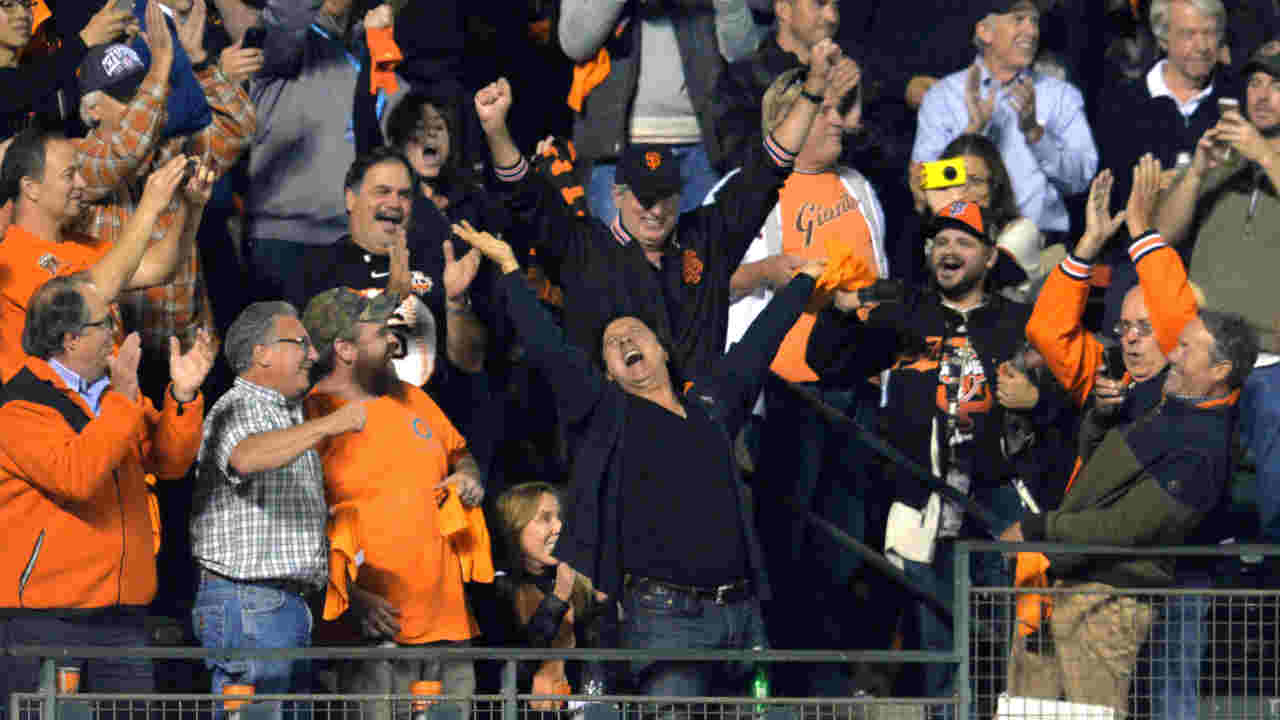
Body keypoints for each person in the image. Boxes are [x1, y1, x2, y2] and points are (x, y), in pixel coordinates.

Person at [452, 219, 823, 704]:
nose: (625, 342)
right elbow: (549, 347)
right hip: (668, 621)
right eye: (612, 343)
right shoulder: (610, 412)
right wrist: (509, 269)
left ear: (663, 351)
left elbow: (757, 347)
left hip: (743, 613)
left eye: (635, 334)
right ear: (606, 371)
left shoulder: (712, 408)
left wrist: (804, 282)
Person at [804, 200, 1050, 705]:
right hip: (923, 504)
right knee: (937, 647)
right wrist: (839, 311)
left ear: (987, 257)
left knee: (999, 643)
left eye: (963, 242)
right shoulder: (903, 312)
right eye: (941, 242)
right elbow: (826, 363)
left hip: (996, 503)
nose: (949, 251)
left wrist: (1038, 401)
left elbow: (1066, 404)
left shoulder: (1021, 322)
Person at [486, 39, 840, 381]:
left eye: (665, 196)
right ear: (617, 194)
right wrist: (496, 128)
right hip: (617, 433)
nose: (655, 210)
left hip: (702, 428)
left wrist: (813, 90)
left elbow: (768, 168)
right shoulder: (584, 250)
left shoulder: (707, 237)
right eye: (644, 197)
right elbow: (527, 194)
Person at [1002, 280, 1256, 718]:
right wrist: (1101, 420)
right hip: (1065, 581)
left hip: (1107, 600)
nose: (1173, 355)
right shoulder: (1167, 404)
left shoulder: (1206, 445)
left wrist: (1038, 528)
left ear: (1221, 370)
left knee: (1093, 714)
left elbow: (1128, 528)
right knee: (1026, 711)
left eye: (1187, 349)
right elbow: (1098, 472)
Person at [718, 64, 887, 696]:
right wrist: (773, 270)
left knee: (844, 551)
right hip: (778, 398)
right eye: (830, 111)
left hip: (850, 394)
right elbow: (705, 280)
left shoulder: (859, 189)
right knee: (781, 548)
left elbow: (878, 282)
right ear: (791, 119)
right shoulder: (746, 190)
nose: (844, 121)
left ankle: (831, 683)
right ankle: (782, 687)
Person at [1022, 157, 1210, 720]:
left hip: (1143, 578)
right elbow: (1047, 330)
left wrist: (1142, 231)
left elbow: (1177, 312)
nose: (1129, 340)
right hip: (1075, 575)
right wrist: (1085, 248)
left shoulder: (1188, 385)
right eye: (1124, 327)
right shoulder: (1108, 375)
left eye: (1143, 329)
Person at [0, 274, 213, 700]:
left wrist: (183, 397)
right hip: (46, 620)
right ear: (71, 339)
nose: (117, 334)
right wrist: (121, 399)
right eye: (105, 324)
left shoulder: (114, 394)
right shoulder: (21, 406)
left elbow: (170, 463)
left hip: (124, 618)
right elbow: (76, 476)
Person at [301, 286, 488, 720]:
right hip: (371, 635)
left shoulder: (412, 397)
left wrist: (468, 475)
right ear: (345, 349)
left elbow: (460, 452)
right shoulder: (309, 418)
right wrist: (353, 596)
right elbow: (301, 528)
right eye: (379, 333)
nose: (392, 340)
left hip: (448, 626)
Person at [73, 0, 255, 401]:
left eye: (148, 92)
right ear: (93, 107)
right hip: (112, 358)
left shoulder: (172, 154)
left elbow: (238, 128)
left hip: (181, 352)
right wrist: (160, 69)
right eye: (132, 97)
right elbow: (126, 151)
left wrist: (198, 64)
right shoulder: (79, 162)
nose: (149, 105)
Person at [190, 300, 367, 698]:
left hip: (277, 606)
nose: (314, 355)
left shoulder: (285, 415)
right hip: (249, 603)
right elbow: (246, 456)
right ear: (261, 353)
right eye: (301, 343)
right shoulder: (240, 405)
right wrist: (333, 423)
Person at [1155, 41, 1280, 547]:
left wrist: (1265, 155)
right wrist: (1200, 172)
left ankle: (1272, 574)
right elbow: (1161, 235)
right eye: (1255, 82)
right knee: (1184, 490)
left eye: (1277, 84)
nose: (1263, 94)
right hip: (1201, 350)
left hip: (1273, 358)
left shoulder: (1258, 152)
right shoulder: (1225, 155)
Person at [0, 129, 200, 380]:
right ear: (31, 188)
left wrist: (190, 206)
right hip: (63, 413)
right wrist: (149, 207)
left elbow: (159, 267)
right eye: (69, 175)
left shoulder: (78, 245)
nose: (82, 184)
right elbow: (88, 298)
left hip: (113, 399)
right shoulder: (10, 257)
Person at [558, 0, 763, 220]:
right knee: (621, 254)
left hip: (705, 149)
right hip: (618, 152)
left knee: (705, 253)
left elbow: (744, 52)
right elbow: (575, 43)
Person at [1096, 0, 1230, 336]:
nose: (1201, 46)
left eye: (1209, 34)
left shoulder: (1236, 98)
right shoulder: (1123, 103)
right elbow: (1117, 198)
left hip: (1217, 256)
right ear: (1163, 39)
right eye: (1188, 34)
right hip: (1141, 256)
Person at [911, 0, 1098, 238]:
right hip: (964, 242)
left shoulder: (1060, 95)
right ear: (985, 31)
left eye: (1034, 21)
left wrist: (1035, 134)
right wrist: (973, 132)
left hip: (1042, 248)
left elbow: (1081, 178)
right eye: (1018, 19)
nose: (1032, 31)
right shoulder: (944, 97)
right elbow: (924, 183)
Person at [493, 483, 609, 705]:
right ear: (515, 527)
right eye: (545, 518)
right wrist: (559, 597)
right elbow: (516, 662)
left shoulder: (580, 583)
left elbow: (597, 665)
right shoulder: (496, 587)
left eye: (558, 518)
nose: (558, 527)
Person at [911, 133, 1054, 301]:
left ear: (994, 186)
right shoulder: (932, 234)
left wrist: (953, 216)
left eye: (975, 181)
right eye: (955, 181)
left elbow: (986, 277)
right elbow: (909, 282)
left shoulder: (1021, 230)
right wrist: (919, 209)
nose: (963, 192)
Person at [0, 0, 135, 140]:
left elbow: (77, 135)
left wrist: (118, 52)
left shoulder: (47, 73)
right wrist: (87, 38)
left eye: (27, 4)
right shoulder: (42, 78)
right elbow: (22, 88)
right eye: (8, 5)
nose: (23, 14)